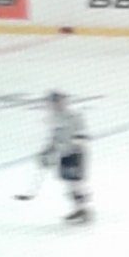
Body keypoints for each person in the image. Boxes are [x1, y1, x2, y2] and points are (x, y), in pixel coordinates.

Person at [42, 89, 92, 223]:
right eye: (52, 103)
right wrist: (48, 150)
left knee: (76, 183)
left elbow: (82, 134)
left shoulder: (74, 116)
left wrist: (77, 144)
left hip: (75, 153)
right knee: (69, 183)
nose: (54, 105)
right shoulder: (53, 118)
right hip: (64, 153)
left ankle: (84, 210)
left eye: (57, 102)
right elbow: (54, 136)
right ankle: (78, 209)